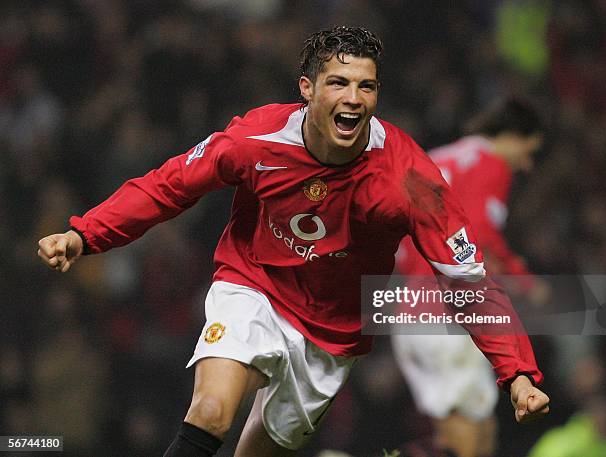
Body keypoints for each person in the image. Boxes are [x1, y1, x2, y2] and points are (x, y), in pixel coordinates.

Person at [37, 27, 549, 457]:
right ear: (307, 88)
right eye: (339, 83)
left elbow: (467, 280)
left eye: (366, 87)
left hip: (333, 333)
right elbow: (169, 185)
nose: (354, 98)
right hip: (254, 285)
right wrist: (86, 233)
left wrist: (517, 372)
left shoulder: (410, 178)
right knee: (212, 411)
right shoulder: (255, 140)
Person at [392, 98, 548, 457]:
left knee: (476, 425)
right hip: (448, 313)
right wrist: (523, 280)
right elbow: (478, 234)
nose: (526, 164)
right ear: (510, 135)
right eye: (527, 151)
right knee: (464, 432)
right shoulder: (490, 163)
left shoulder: (442, 156)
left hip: (416, 308)